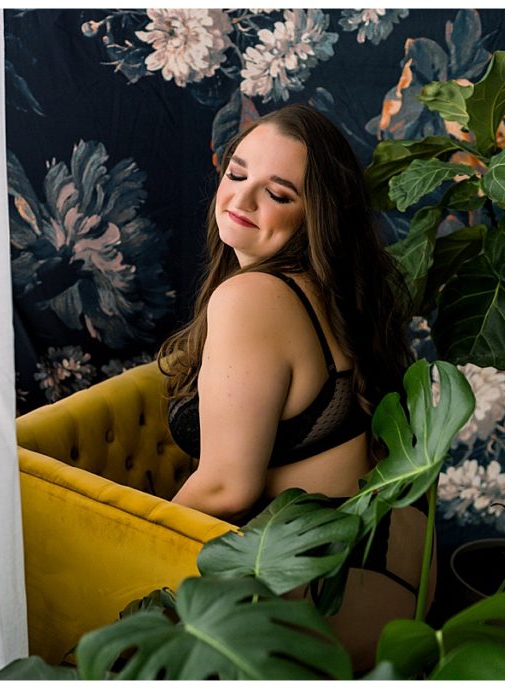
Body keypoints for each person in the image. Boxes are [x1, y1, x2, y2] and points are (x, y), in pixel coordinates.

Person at [157, 102, 425, 670]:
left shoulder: (252, 298)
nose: (243, 199)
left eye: (278, 194)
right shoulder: (330, 289)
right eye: (237, 174)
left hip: (314, 610)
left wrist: (129, 543)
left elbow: (228, 488)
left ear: (315, 216)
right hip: (392, 585)